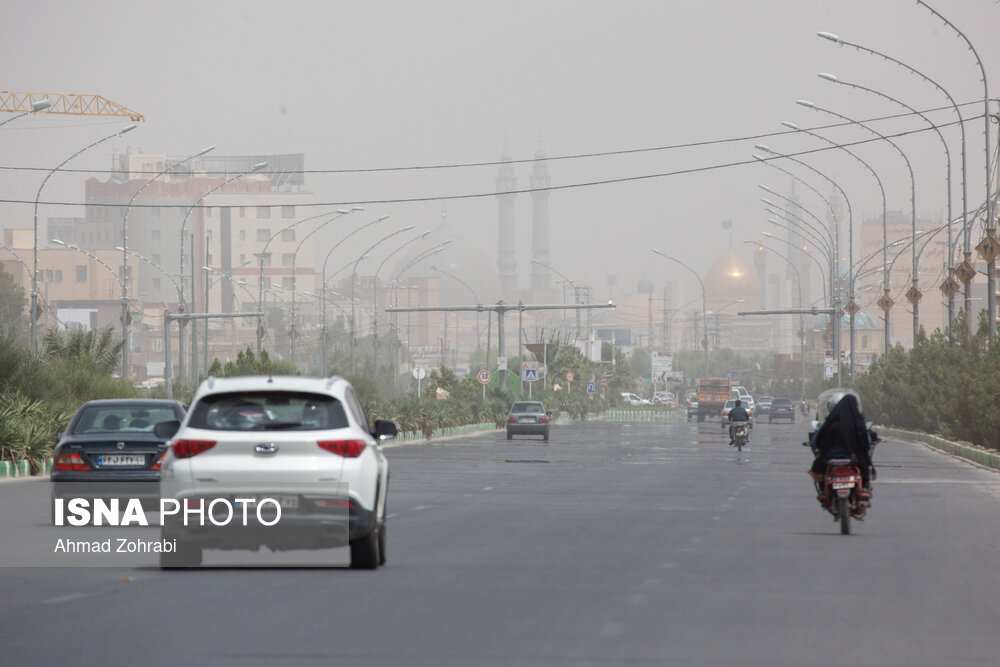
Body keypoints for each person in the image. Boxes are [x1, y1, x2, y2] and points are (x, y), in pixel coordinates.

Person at [808, 393, 873, 497]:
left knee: (818, 470)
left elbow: (816, 442)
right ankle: (864, 488)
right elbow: (866, 440)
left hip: (831, 458)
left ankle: (823, 491)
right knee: (865, 465)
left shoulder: (829, 422)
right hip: (853, 458)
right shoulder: (857, 422)